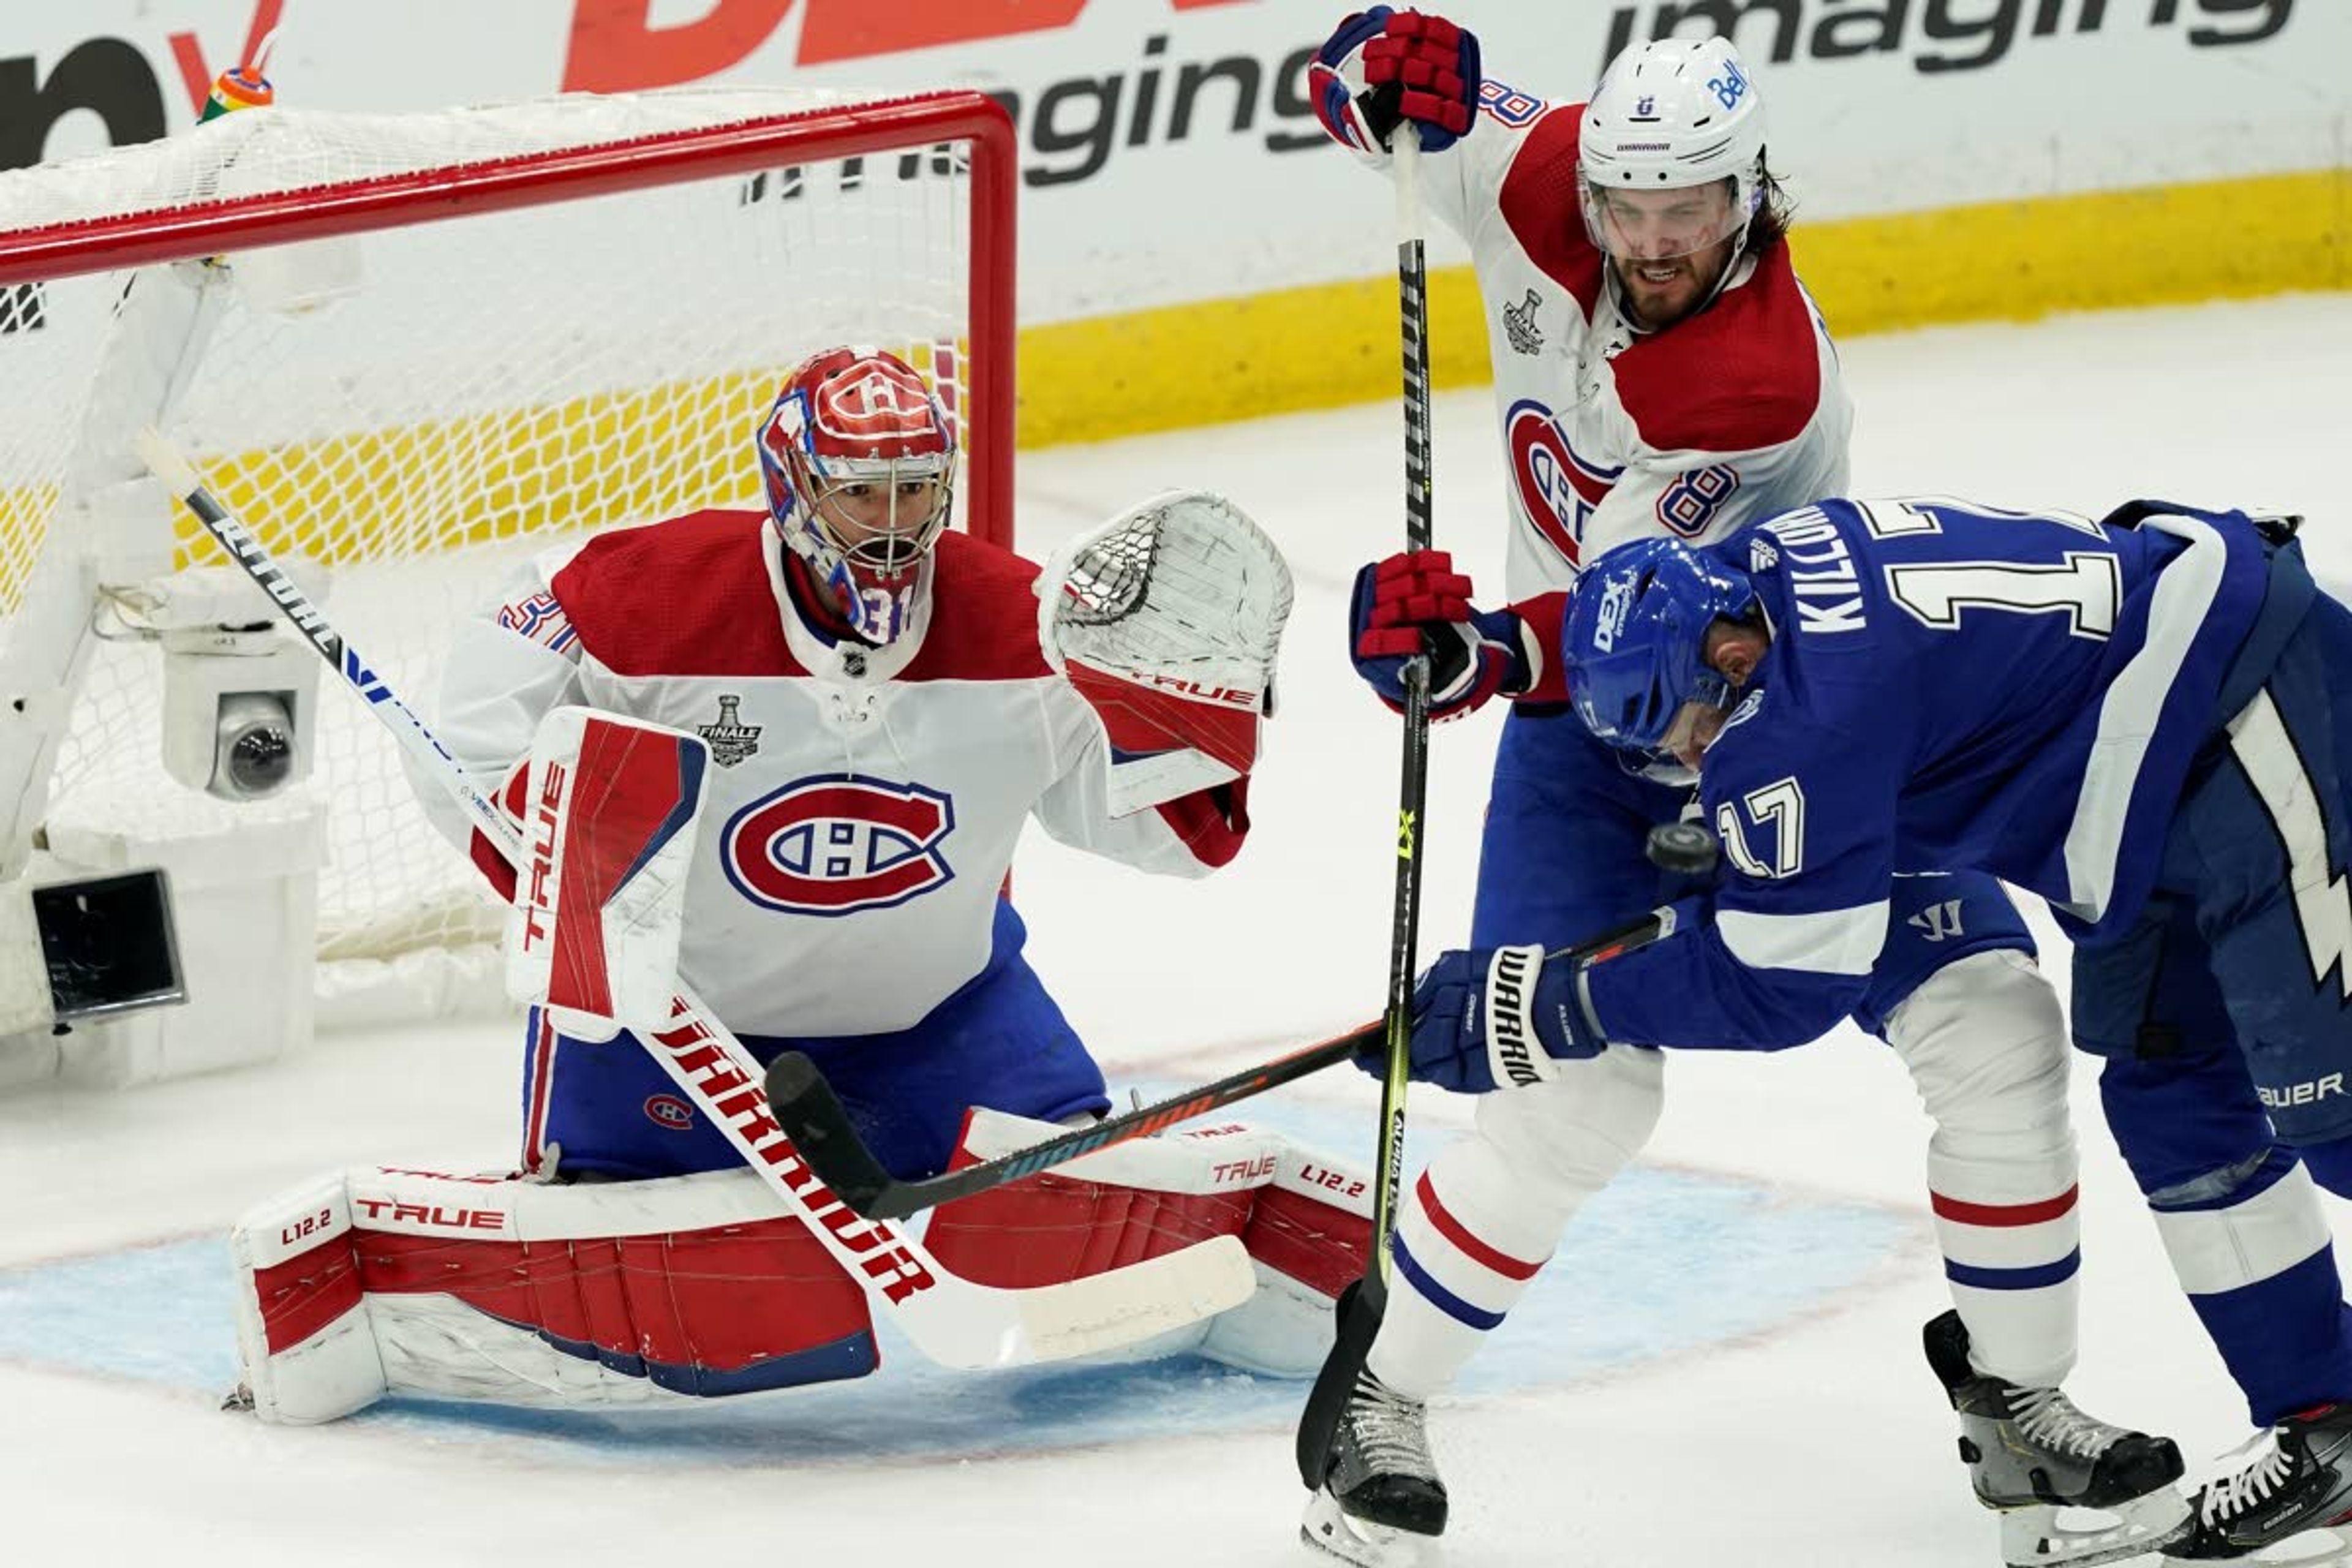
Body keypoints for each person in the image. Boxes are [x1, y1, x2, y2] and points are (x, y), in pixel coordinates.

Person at [1306, 12, 2179, 1566]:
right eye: (1628, 213)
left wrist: (1475, 653)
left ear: (1750, 195)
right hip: (1589, 741)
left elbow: (1632, 617)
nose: (1650, 243)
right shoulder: (1546, 174)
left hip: (1792, 712)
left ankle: (2024, 1412)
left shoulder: (1752, 378)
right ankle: (1373, 1402)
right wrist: (1373, 61)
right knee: (1582, 1095)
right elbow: (1359, 91)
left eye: (1687, 215)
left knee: (1991, 1018)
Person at [222, 345, 1374, 1423]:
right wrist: (572, 868)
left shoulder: (1024, 628)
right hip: (669, 1030)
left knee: (1060, 1206)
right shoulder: (631, 596)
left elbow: (1166, 841)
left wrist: (1194, 725)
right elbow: (468, 741)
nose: (892, 524)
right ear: (792, 485)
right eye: (859, 494)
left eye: (917, 491)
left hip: (942, 1017)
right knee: (615, 1246)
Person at [1409, 494, 2352, 1561]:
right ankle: (2333, 1435)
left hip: (2262, 718)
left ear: (1728, 652)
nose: (1702, 757)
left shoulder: (1807, 718)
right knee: (2178, 1104)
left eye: (1693, 725)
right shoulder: (1765, 569)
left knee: (2339, 1117)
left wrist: (1562, 1000)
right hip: (2153, 784)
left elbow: (1785, 989)